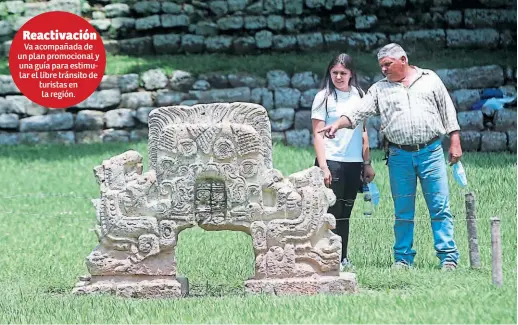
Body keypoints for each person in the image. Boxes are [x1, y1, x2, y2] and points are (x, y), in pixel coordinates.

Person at [318, 43, 462, 271]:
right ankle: (403, 259)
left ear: (403, 60)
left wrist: (455, 141)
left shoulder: (430, 79)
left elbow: (448, 110)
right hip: (399, 156)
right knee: (403, 209)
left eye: (387, 64)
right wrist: (338, 123)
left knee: (439, 205)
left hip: (431, 152)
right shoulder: (379, 89)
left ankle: (448, 258)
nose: (383, 69)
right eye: (381, 66)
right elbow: (358, 112)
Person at [311, 53, 376, 272]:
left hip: (353, 162)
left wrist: (367, 162)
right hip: (331, 160)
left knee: (345, 213)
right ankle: (322, 256)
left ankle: (342, 257)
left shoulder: (359, 94)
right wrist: (323, 167)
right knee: (329, 212)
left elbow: (364, 130)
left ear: (351, 74)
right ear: (329, 73)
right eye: (335, 72)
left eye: (343, 73)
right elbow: (317, 134)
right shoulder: (323, 97)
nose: (338, 77)